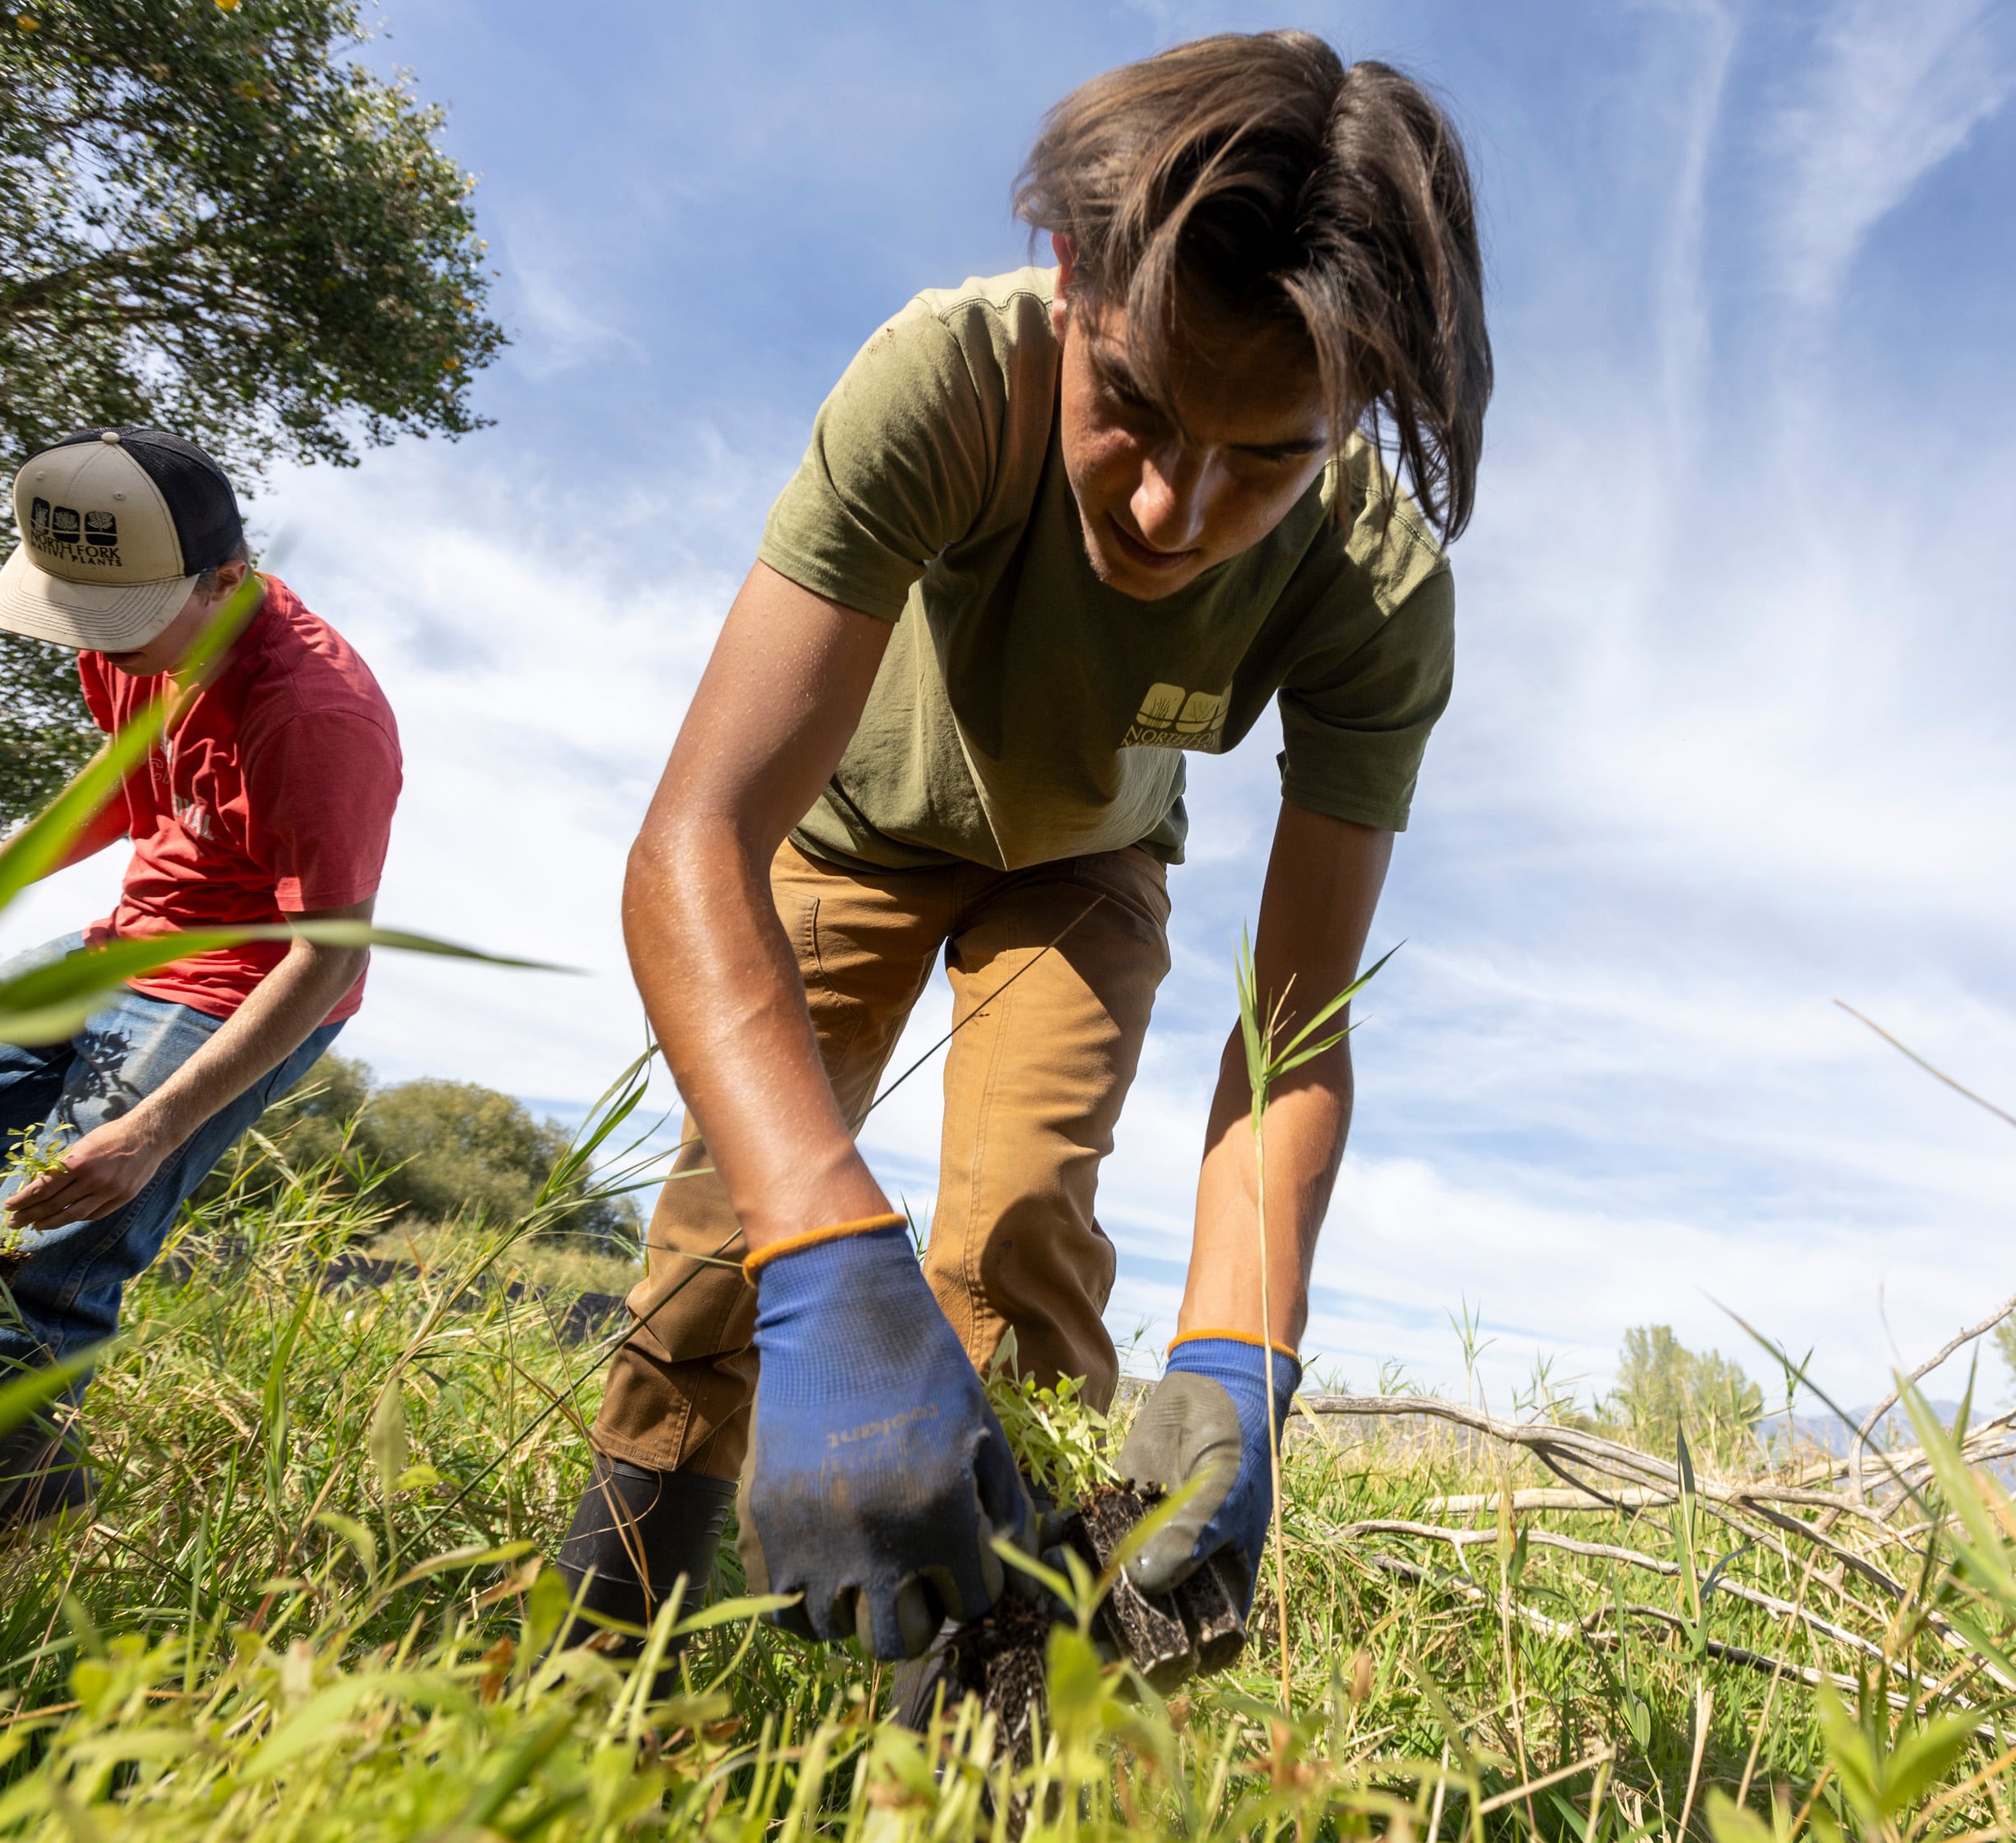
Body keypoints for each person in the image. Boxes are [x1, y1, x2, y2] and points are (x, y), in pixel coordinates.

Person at [554, 30, 1490, 1670]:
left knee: (1024, 1240)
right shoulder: (946, 379)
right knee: (731, 1232)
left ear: (1351, 415)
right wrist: (823, 1242)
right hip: (846, 829)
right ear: (1068, 278)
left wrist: (1241, 1348)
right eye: (1132, 407)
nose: (1170, 513)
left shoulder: (1378, 588)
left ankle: (977, 1708)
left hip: (1087, 869)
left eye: (1265, 458)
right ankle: (588, 1654)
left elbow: (1295, 1028)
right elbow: (696, 834)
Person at [0, 426, 401, 1580]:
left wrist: (153, 1129)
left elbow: (325, 960)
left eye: (125, 627)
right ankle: (14, 1453)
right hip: (120, 946)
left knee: (39, 1249)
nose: (105, 653)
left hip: (244, 987)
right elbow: (125, 785)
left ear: (225, 581)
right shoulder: (125, 625)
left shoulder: (316, 716)